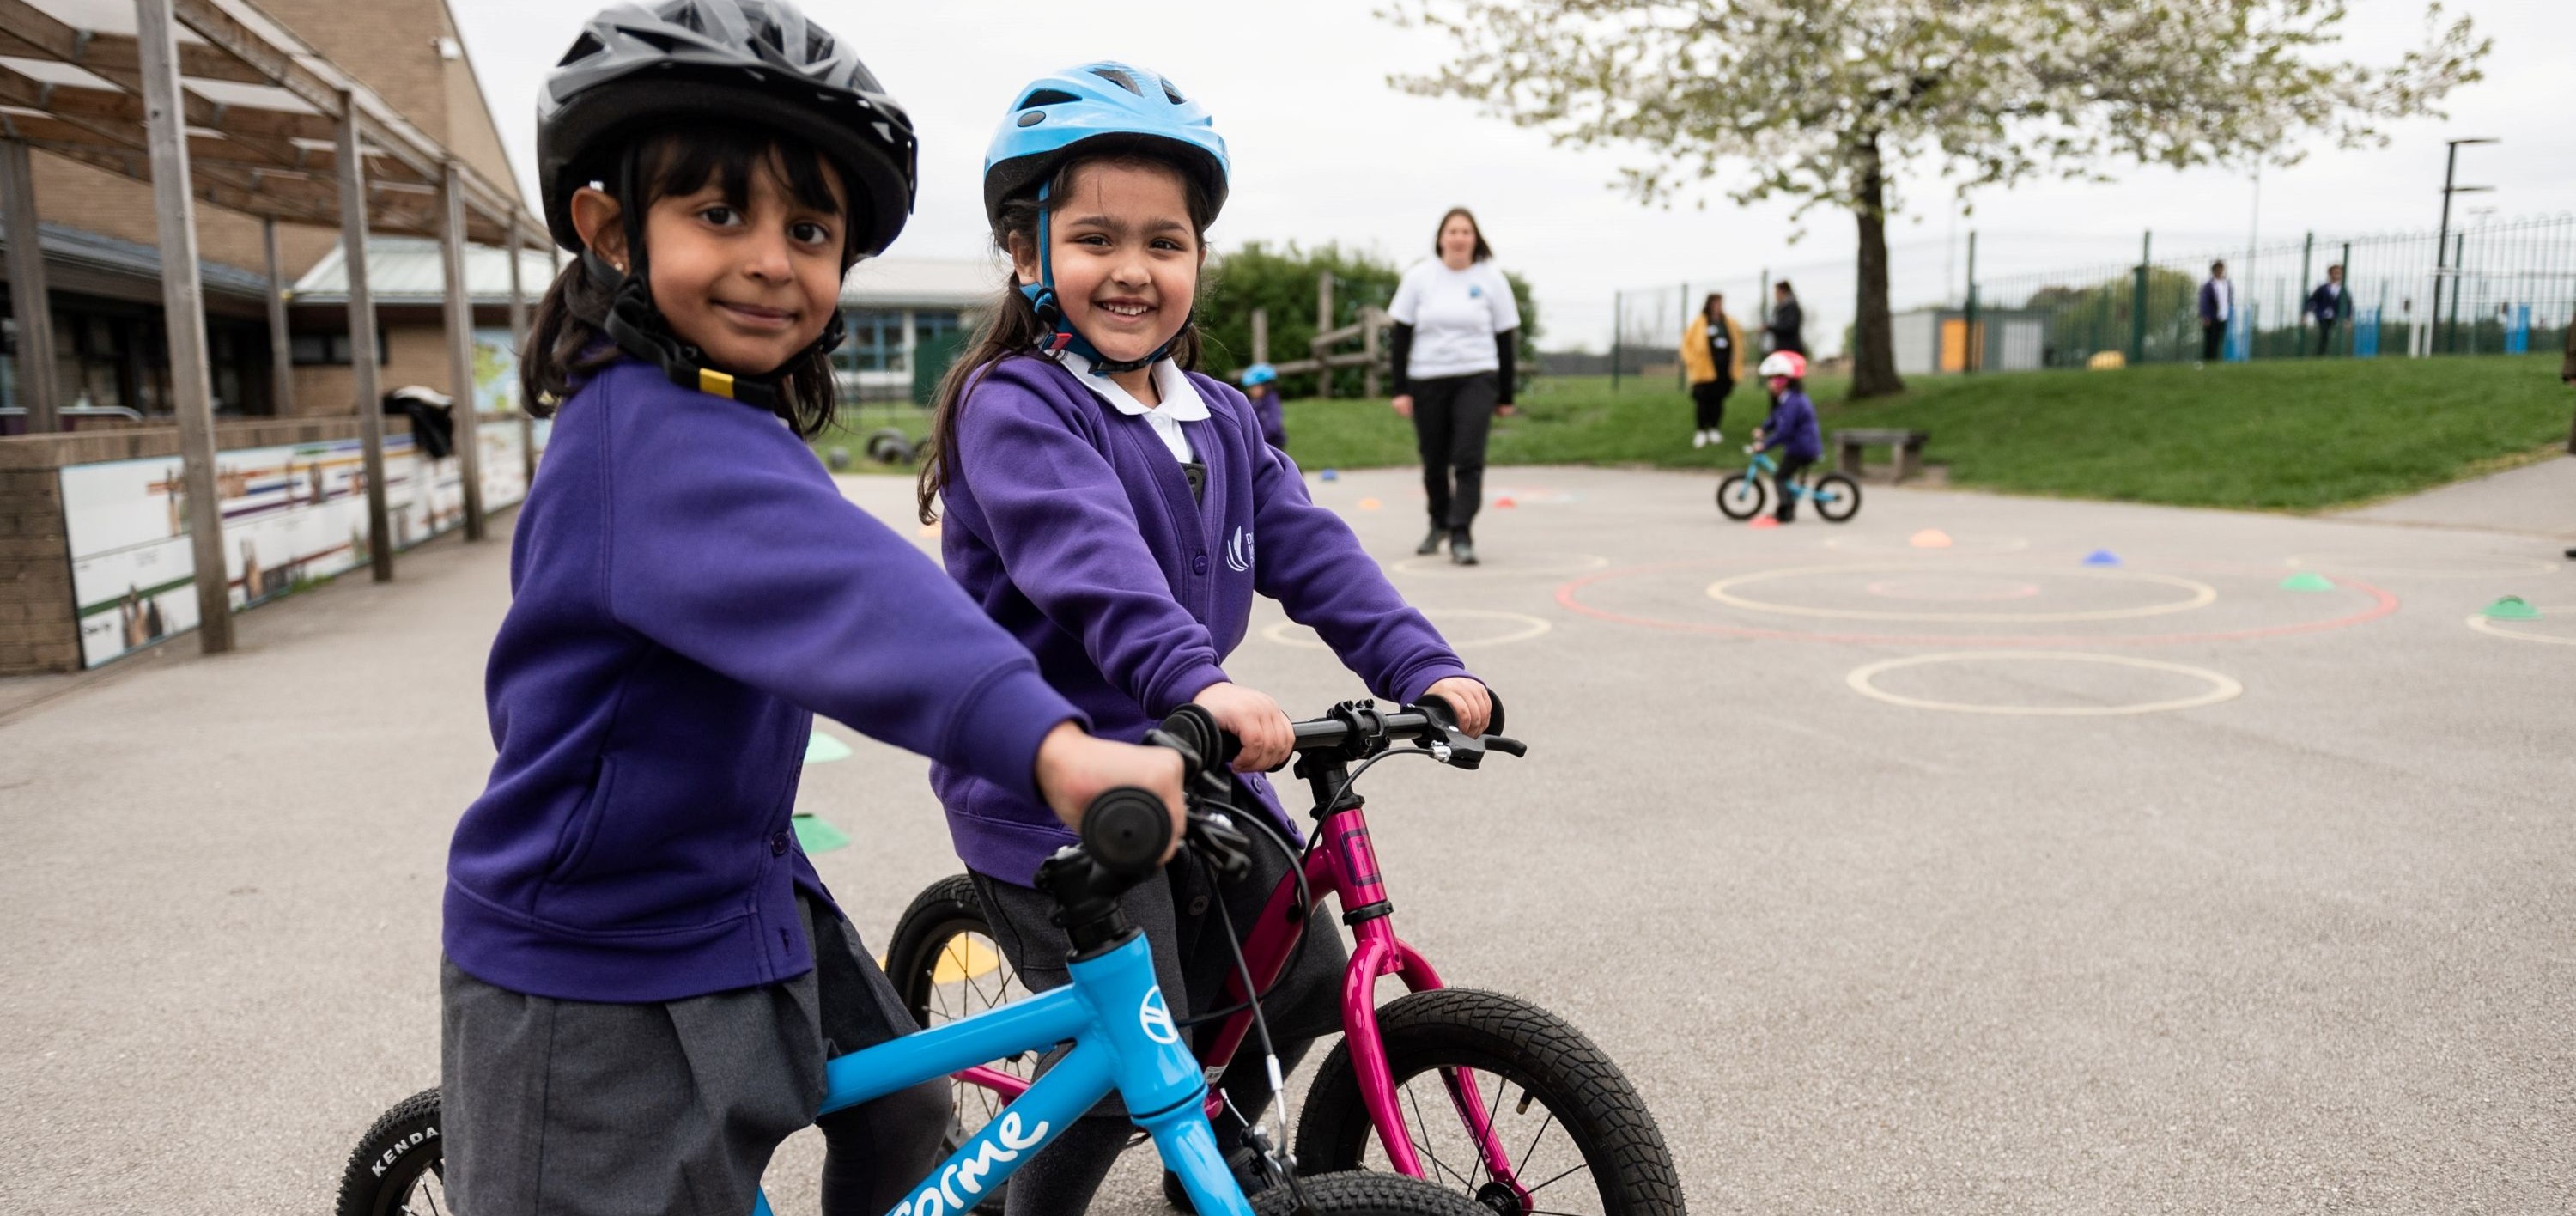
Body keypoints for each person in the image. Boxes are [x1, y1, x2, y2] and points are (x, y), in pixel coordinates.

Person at [438, 9, 1184, 1216]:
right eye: (719, 214)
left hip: (741, 885)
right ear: (611, 231)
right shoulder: (642, 434)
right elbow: (857, 593)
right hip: (597, 954)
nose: (773, 258)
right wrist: (1049, 742)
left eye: (810, 227)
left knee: (902, 1111)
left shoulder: (734, 419)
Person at [915, 63, 1495, 1213]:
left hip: (1199, 764)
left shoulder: (1218, 415)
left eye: (1164, 242)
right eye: (1094, 238)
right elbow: (1093, 562)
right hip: (1059, 781)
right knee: (1129, 1065)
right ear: (1027, 256)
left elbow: (1311, 549)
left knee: (1303, 974)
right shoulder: (1018, 405)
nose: (1132, 268)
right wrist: (1198, 679)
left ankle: (1209, 1154)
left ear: (1196, 261)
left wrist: (1420, 662)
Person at [1388, 207, 1521, 566]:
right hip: (1427, 378)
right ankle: (1438, 523)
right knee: (1434, 461)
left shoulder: (1492, 280)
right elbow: (1401, 337)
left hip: (1477, 377)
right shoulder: (1420, 277)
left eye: (1466, 232)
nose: (1459, 238)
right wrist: (1400, 389)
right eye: (1453, 231)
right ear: (1441, 238)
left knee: (1468, 458)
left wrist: (1507, 394)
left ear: (1475, 239)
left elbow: (1506, 339)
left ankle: (1461, 532)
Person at [1749, 350, 1823, 523]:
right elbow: (1776, 417)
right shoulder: (1789, 399)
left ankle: (1786, 511)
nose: (1770, 383)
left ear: (1783, 381)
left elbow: (1785, 432)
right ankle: (1788, 506)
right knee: (1785, 476)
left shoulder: (1793, 402)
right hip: (1800, 445)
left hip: (1802, 448)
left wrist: (1765, 445)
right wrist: (1763, 428)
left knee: (1780, 477)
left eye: (1773, 379)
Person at [1681, 292, 1743, 449]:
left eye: (1720, 303)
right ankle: (1701, 431)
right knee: (1703, 401)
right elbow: (1686, 345)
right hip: (1704, 369)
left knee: (1718, 400)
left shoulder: (1728, 322)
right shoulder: (1699, 323)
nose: (1718, 307)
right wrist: (1692, 362)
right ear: (1709, 304)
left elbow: (1739, 338)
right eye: (1715, 303)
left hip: (1722, 369)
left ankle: (1714, 429)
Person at [1239, 361, 1285, 449]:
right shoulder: (1254, 402)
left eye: (1253, 387)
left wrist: (1257, 439)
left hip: (1273, 446)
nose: (1250, 391)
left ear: (1265, 386)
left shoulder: (1271, 402)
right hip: (1260, 445)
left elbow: (1273, 425)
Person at [2306, 263, 2348, 356]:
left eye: (2339, 273)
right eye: (2335, 273)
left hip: (2336, 316)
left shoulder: (2343, 290)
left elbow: (2348, 305)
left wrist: (2347, 319)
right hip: (2323, 316)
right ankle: (2321, 354)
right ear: (2330, 274)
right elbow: (2312, 300)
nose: (2337, 275)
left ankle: (2332, 354)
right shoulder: (2322, 288)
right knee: (2325, 333)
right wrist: (2309, 312)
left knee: (2333, 334)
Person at [2199, 260, 2233, 364]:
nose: (2219, 271)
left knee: (2219, 338)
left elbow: (2228, 299)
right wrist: (2205, 316)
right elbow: (2204, 301)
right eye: (2217, 269)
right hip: (2211, 316)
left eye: (2221, 269)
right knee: (2210, 340)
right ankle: (2208, 360)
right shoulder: (2209, 285)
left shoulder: (2226, 284)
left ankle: (2215, 360)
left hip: (2223, 315)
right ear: (2214, 271)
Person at [1765, 279, 1805, 356]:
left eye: (1776, 292)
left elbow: (1789, 327)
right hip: (1782, 350)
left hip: (1790, 350)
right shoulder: (1780, 308)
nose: (1775, 295)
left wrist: (1770, 327)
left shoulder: (1791, 307)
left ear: (1783, 292)